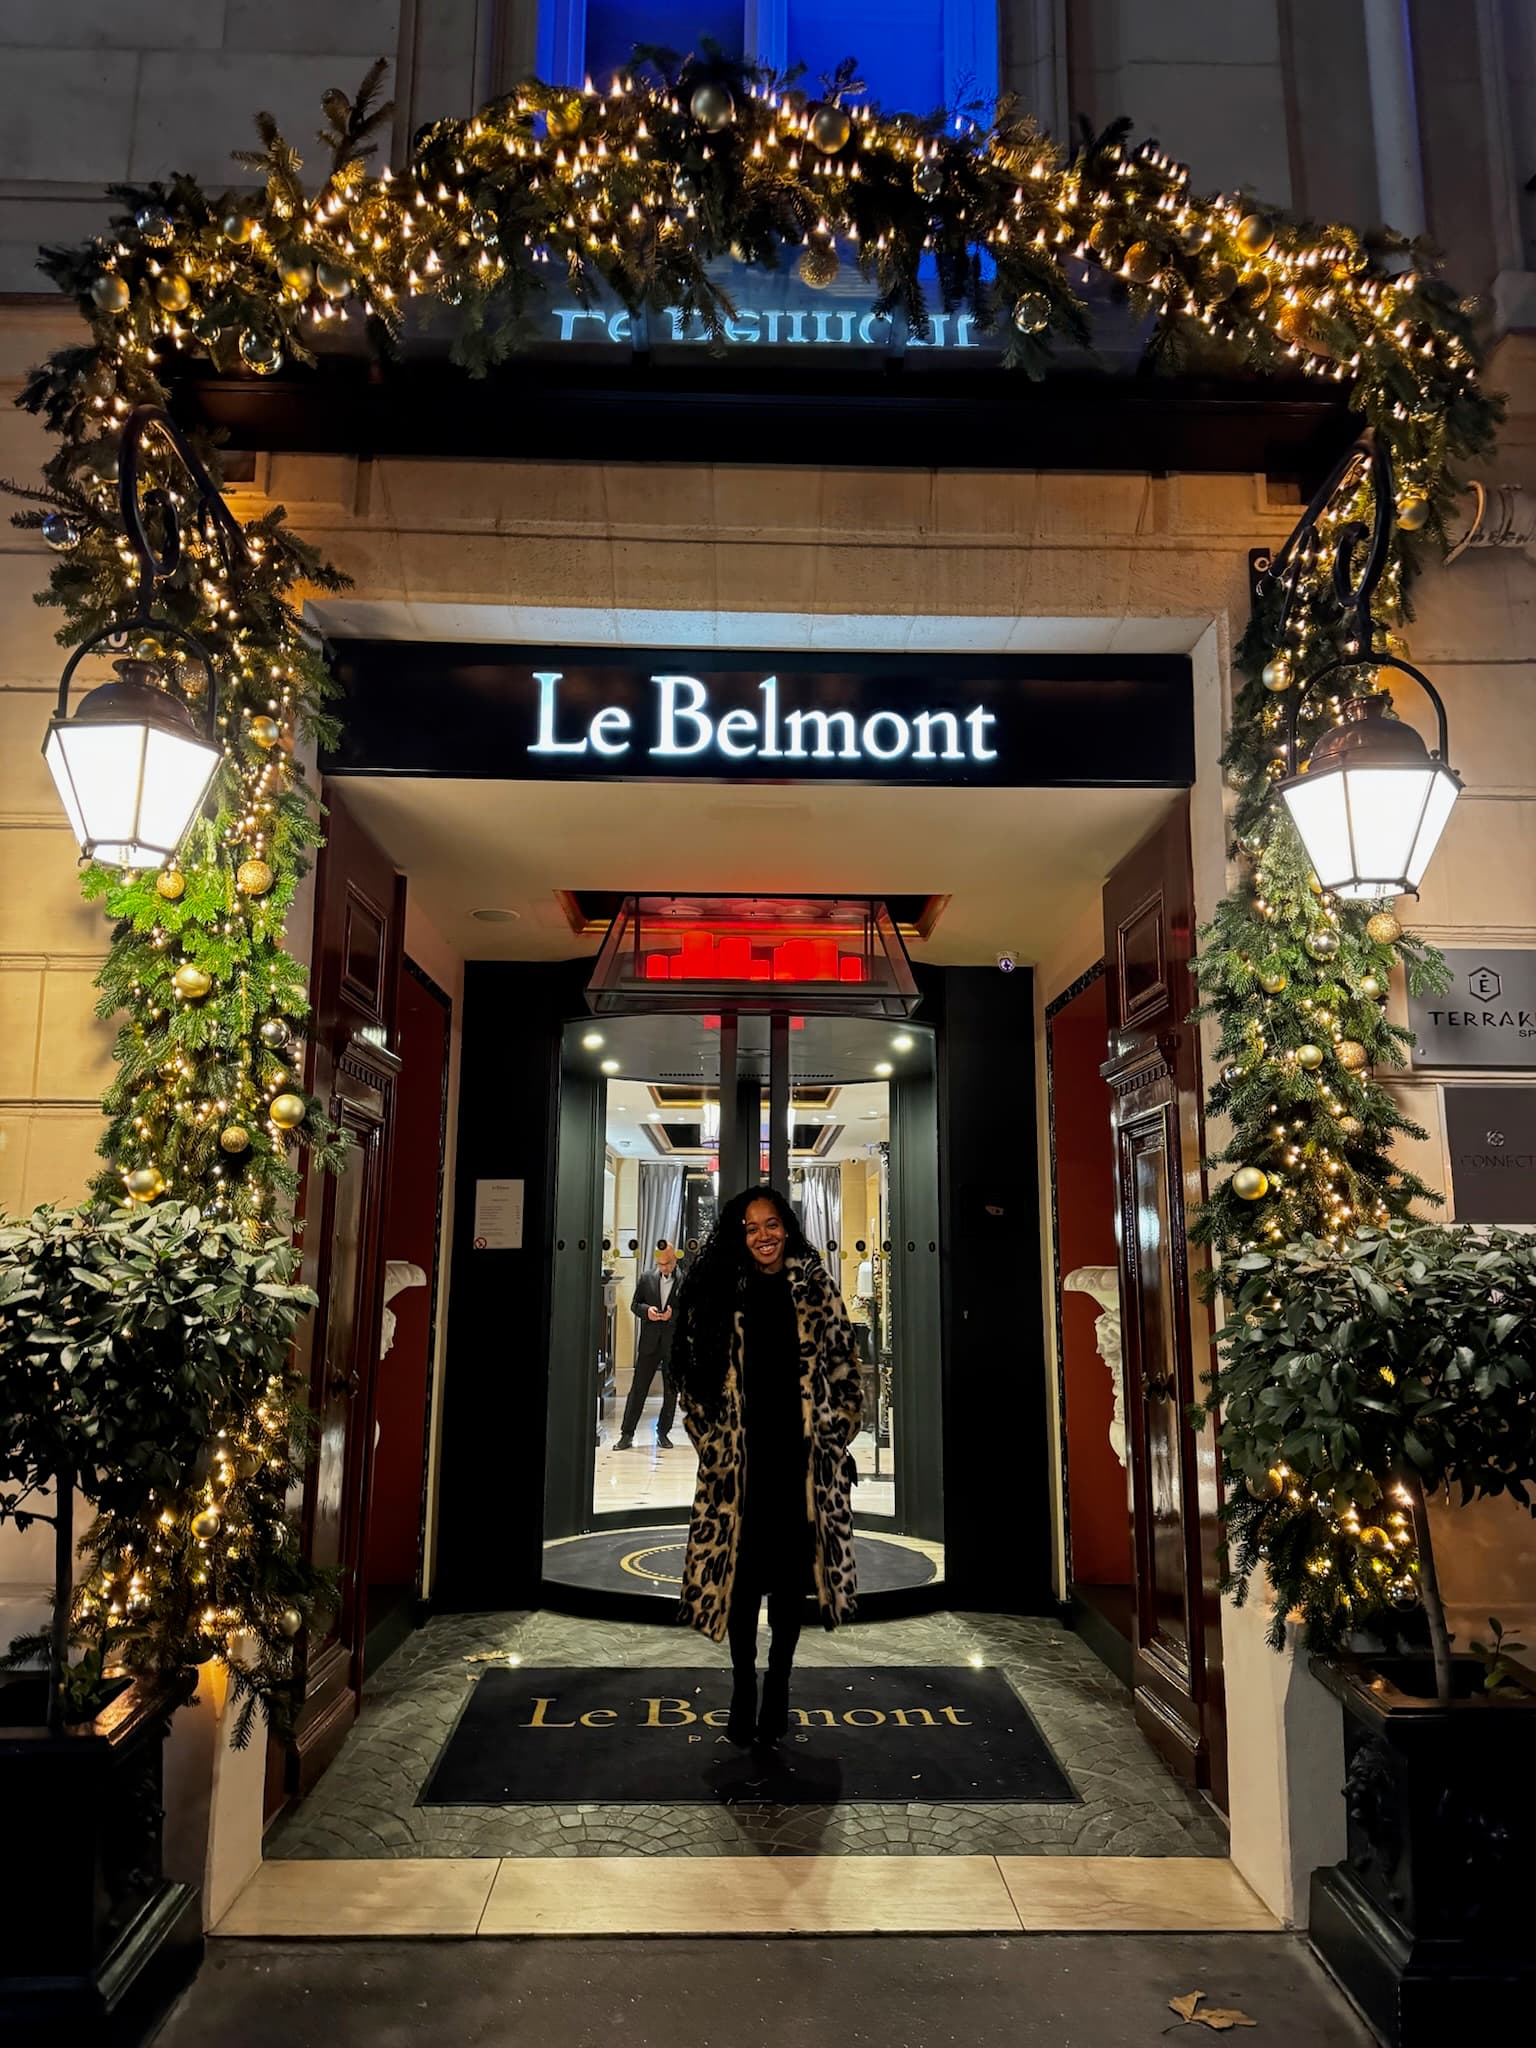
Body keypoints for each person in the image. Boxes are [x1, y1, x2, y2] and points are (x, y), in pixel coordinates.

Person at [669, 1185, 862, 1747]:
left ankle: (778, 1685)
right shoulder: (720, 1289)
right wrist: (710, 1441)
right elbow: (690, 1375)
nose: (763, 1236)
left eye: (771, 1224)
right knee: (742, 1583)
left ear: (787, 1226)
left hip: (799, 1466)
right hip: (739, 1468)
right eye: (751, 1228)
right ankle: (742, 1687)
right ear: (740, 1234)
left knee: (788, 1586)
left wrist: (836, 1432)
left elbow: (845, 1366)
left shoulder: (816, 1285)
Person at [615, 1241, 682, 1450]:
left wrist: (672, 1315)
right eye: (660, 1264)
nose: (664, 1268)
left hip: (673, 1344)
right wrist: (647, 1312)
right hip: (649, 1343)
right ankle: (626, 1434)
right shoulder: (646, 1278)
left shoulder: (685, 1280)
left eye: (668, 1263)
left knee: (671, 1392)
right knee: (638, 1389)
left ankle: (663, 1433)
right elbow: (635, 1305)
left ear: (675, 1259)